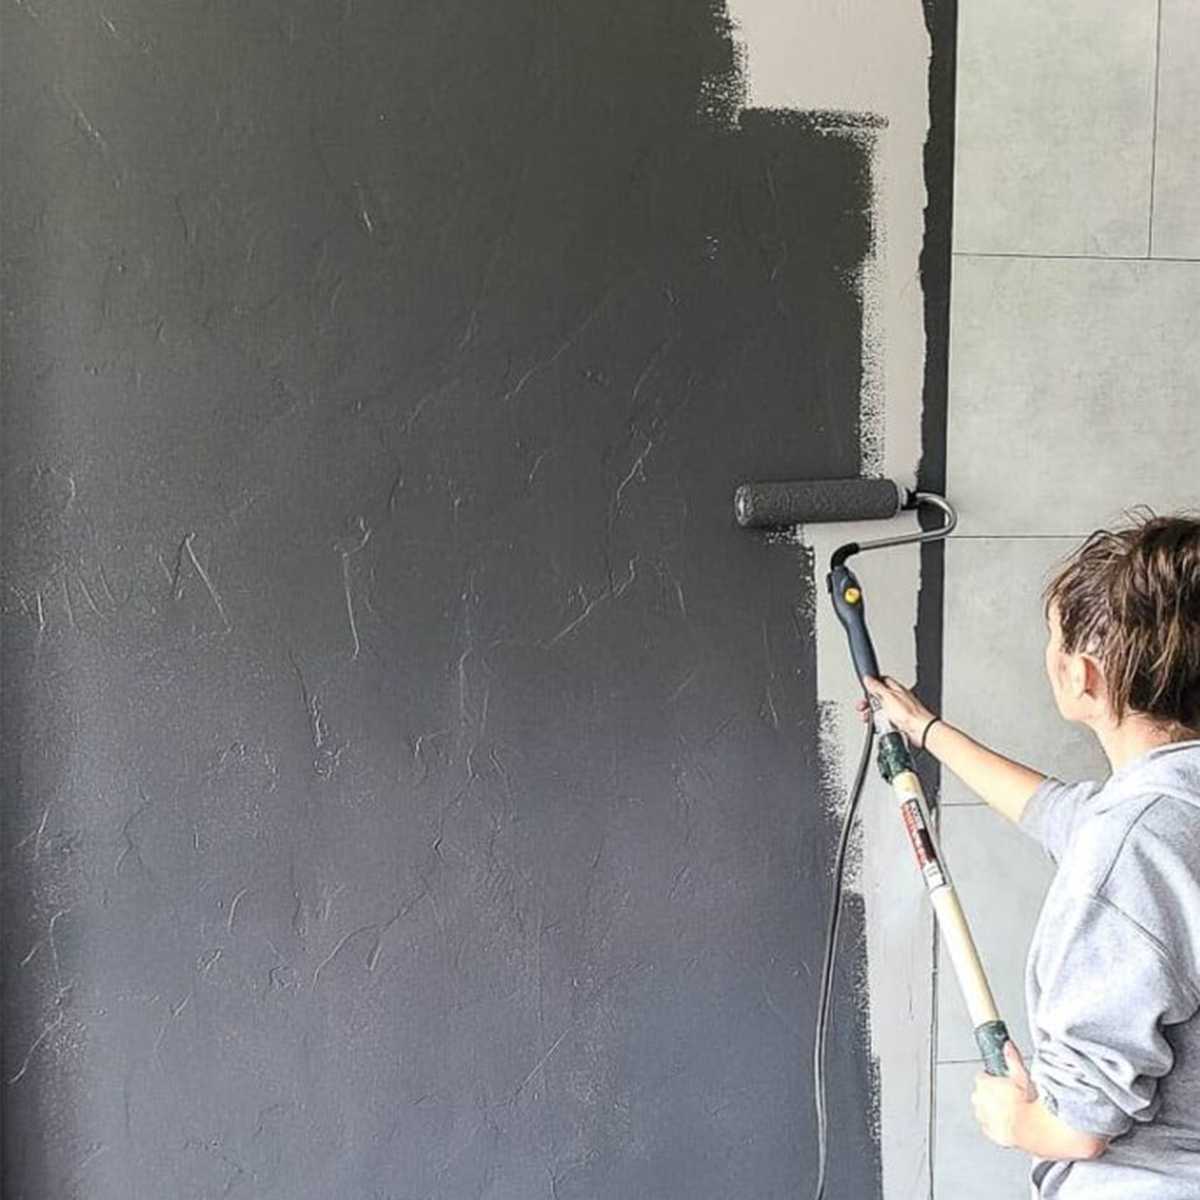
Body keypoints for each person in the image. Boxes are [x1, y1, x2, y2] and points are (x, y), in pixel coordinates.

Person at [856, 509, 1200, 1198]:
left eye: (1053, 639)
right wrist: (925, 730)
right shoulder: (1164, 808)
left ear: (1083, 677)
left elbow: (1081, 1125)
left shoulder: (1126, 847)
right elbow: (1057, 812)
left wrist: (1013, 1117)